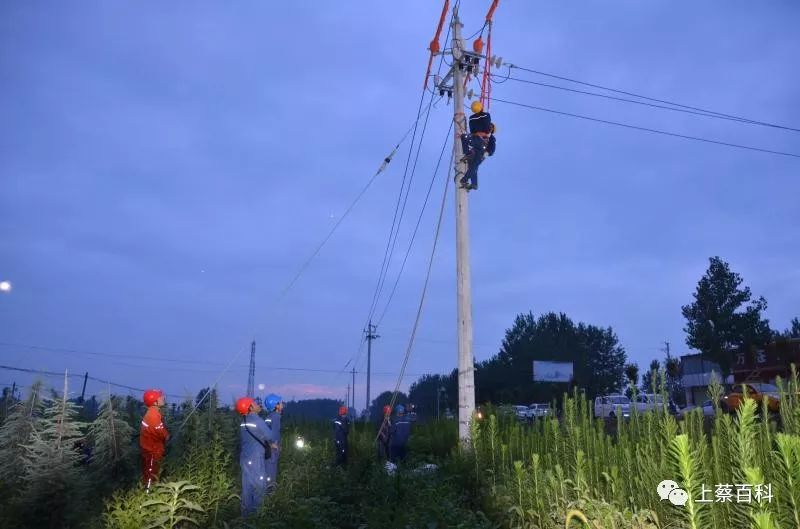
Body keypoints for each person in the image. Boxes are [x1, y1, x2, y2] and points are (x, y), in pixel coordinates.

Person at [236, 397, 274, 517]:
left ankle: (245, 517)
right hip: (256, 458)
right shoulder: (257, 420)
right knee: (259, 486)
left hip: (245, 458)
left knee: (247, 487)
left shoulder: (243, 421)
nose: (258, 404)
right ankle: (258, 517)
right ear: (250, 408)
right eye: (254, 403)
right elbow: (270, 435)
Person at [459, 100, 494, 191]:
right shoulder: (486, 117)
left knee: (465, 137)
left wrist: (487, 153)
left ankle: (468, 154)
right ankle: (472, 183)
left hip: (479, 145)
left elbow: (473, 131)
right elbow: (491, 148)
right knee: (473, 166)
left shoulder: (473, 118)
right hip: (480, 146)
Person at [139, 389, 169, 491]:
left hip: (152, 448)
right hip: (152, 451)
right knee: (151, 475)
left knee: (150, 472)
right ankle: (148, 496)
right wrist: (167, 436)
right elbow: (159, 430)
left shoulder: (153, 412)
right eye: (160, 397)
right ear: (154, 402)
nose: (163, 398)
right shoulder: (153, 415)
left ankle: (150, 492)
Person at [263, 393, 283, 491]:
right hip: (272, 449)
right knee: (271, 471)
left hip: (267, 447)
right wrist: (275, 445)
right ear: (276, 405)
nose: (282, 404)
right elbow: (274, 432)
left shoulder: (269, 415)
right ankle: (270, 495)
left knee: (267, 470)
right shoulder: (276, 416)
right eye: (280, 403)